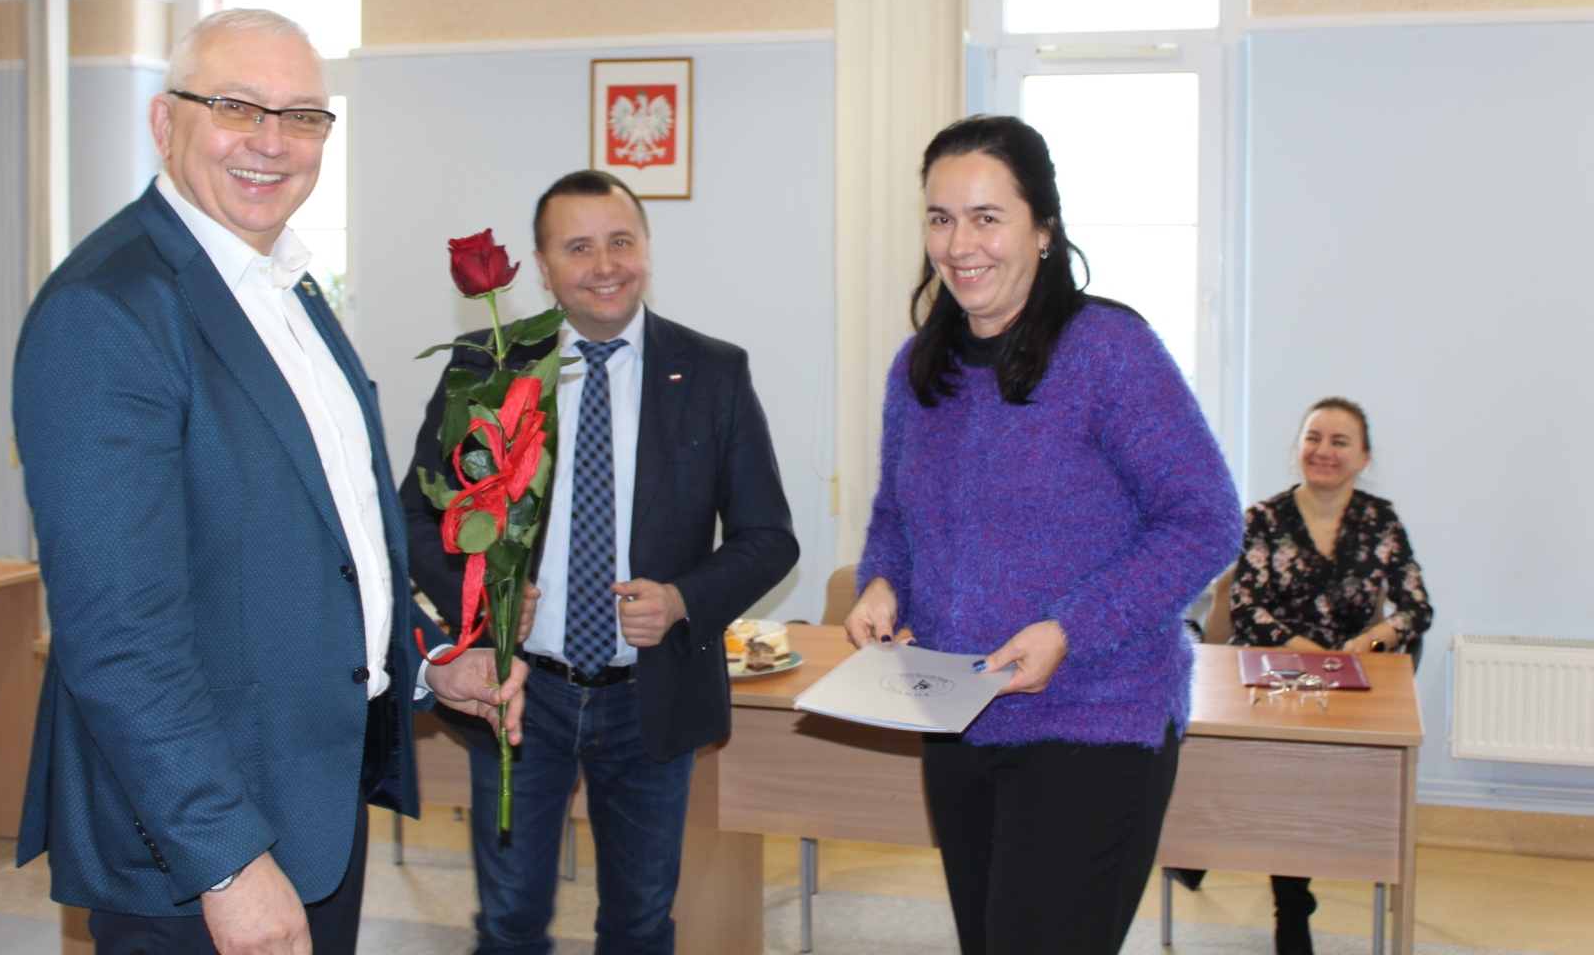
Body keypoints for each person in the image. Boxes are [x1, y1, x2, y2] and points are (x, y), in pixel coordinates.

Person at [13, 8, 525, 955]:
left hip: (312, 798)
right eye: (236, 107)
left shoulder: (287, 287)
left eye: (302, 116)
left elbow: (333, 543)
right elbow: (119, 632)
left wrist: (426, 658)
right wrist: (226, 860)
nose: (271, 141)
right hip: (199, 841)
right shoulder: (110, 309)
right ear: (164, 122)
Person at [843, 115, 1243, 955]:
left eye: (987, 217)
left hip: (1094, 719)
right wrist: (882, 585)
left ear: (1044, 229)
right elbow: (895, 519)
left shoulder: (1110, 350)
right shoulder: (918, 369)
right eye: (941, 218)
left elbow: (1205, 521)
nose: (960, 245)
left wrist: (1070, 628)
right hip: (957, 718)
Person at [401, 169, 799, 955]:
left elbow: (769, 537)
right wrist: (482, 594)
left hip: (649, 696)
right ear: (543, 268)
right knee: (509, 925)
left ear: (647, 249)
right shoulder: (489, 365)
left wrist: (682, 599)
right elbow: (414, 516)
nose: (605, 264)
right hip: (518, 690)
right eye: (578, 247)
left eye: (621, 241)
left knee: (640, 925)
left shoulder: (712, 371)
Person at [1227, 396, 1433, 955]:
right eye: (1313, 438)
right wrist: (1309, 655)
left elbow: (1416, 609)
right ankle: (1292, 909)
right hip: (1276, 675)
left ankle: (1268, 884)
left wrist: (1369, 642)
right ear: (1299, 448)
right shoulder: (1263, 519)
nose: (1324, 451)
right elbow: (1246, 609)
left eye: (1340, 441)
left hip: (1349, 677)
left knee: (1310, 779)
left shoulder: (1381, 521)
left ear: (1363, 457)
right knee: (1288, 775)